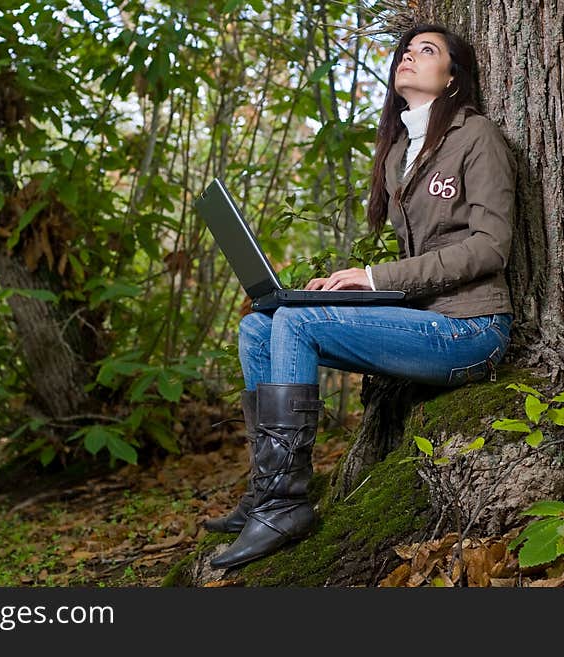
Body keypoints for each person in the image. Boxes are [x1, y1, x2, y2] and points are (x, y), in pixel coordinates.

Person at [205, 23, 518, 569]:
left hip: (472, 329)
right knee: (262, 322)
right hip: (420, 322)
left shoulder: (477, 137)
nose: (410, 57)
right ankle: (267, 488)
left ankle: (285, 506)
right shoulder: (399, 151)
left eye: (428, 51)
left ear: (452, 80)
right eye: (406, 50)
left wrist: (375, 279)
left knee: (296, 326)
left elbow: (491, 248)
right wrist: (346, 288)